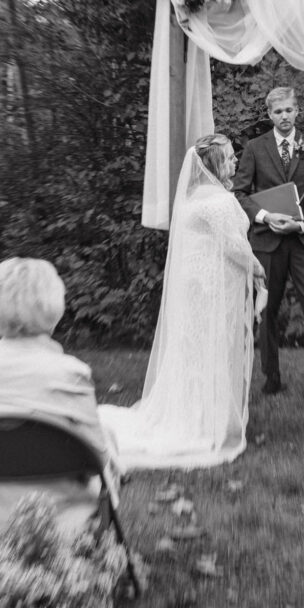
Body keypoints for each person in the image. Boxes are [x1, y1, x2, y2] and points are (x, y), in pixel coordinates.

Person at [99, 134, 266, 470]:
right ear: (215, 164)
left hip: (199, 286)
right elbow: (234, 246)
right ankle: (201, 422)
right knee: (211, 349)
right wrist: (259, 270)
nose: (235, 161)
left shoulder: (197, 196)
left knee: (195, 350)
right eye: (230, 157)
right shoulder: (217, 201)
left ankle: (198, 413)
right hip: (210, 289)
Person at [0, 257, 120, 535]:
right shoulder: (71, 374)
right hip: (61, 514)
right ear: (54, 306)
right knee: (108, 442)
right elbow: (98, 459)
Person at [233, 87, 304, 401]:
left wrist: (301, 222)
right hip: (267, 240)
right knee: (268, 309)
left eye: (289, 110)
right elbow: (239, 193)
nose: (284, 117)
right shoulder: (254, 148)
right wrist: (263, 216)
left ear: (297, 110)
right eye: (278, 112)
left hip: (303, 240)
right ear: (269, 114)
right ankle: (271, 377)